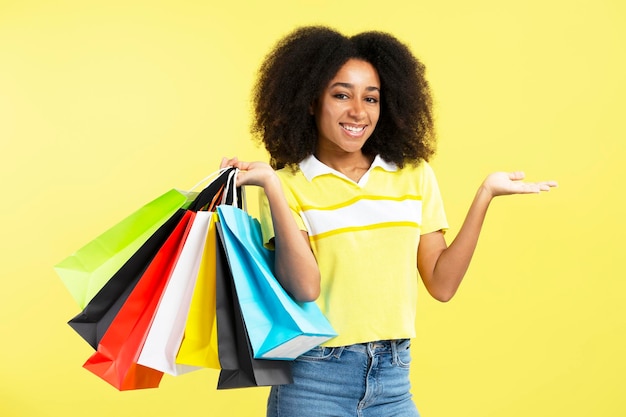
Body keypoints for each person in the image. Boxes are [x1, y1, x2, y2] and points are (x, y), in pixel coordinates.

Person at [221, 25, 556, 417]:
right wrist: (273, 188)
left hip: (394, 379)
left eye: (371, 98)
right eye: (341, 95)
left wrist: (484, 196)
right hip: (315, 380)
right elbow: (305, 288)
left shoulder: (413, 175)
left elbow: (442, 285)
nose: (358, 112)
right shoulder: (289, 185)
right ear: (311, 101)